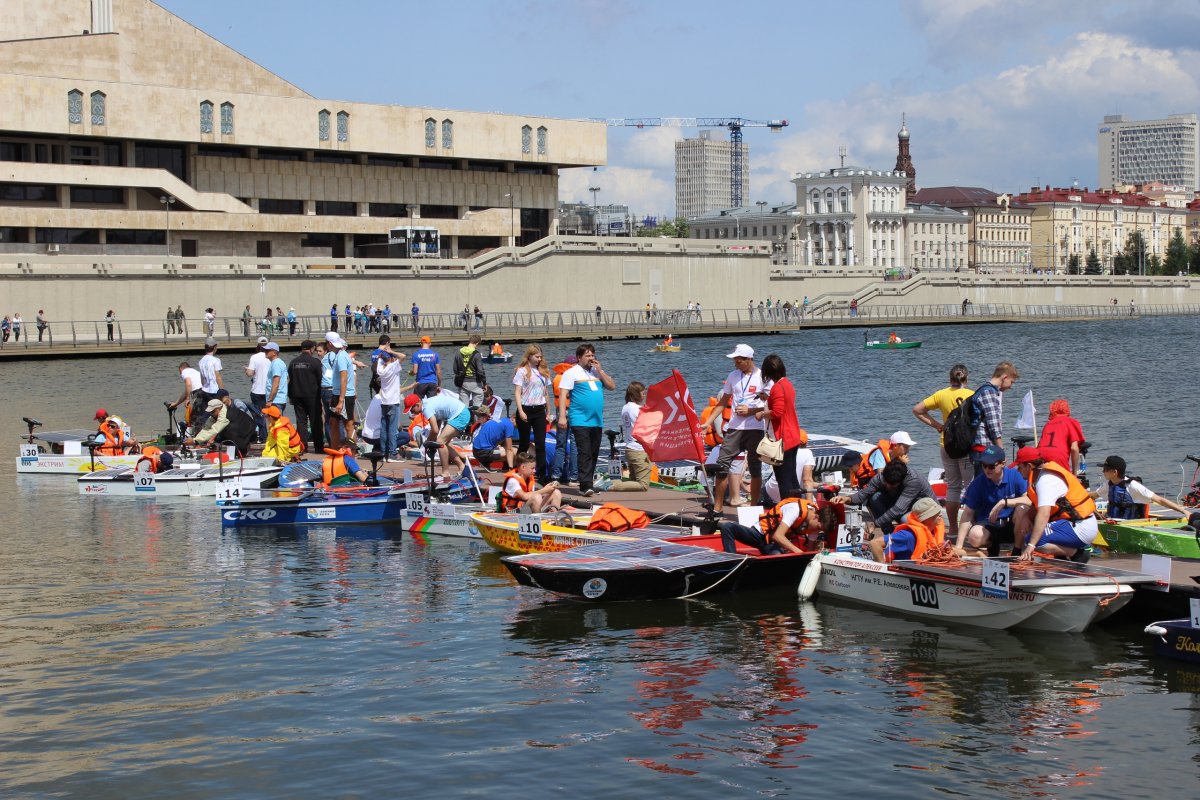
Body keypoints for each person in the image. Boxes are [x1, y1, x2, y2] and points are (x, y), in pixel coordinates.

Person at [702, 344, 770, 513]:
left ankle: (754, 508)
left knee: (755, 468)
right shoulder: (733, 376)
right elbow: (722, 403)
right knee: (722, 465)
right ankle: (717, 508)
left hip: (755, 428)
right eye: (735, 361)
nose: (736, 364)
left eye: (738, 361)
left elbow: (771, 405)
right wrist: (707, 422)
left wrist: (751, 411)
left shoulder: (763, 377)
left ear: (749, 360)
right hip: (734, 428)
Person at [913, 364, 975, 529]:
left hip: (946, 443)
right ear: (966, 379)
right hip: (966, 445)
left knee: (953, 486)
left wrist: (939, 426)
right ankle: (969, 526)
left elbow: (917, 410)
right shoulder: (972, 395)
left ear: (950, 379)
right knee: (971, 487)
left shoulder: (941, 394)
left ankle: (953, 528)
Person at [1010, 447, 1097, 562]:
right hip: (1072, 522)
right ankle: (1061, 557)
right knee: (1035, 533)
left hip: (1081, 526)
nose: (1017, 470)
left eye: (1020, 467)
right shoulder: (1039, 475)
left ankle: (1077, 554)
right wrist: (1027, 516)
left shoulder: (1046, 480)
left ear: (1029, 466)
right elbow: (1037, 503)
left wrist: (1031, 546)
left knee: (1032, 539)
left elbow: (1044, 514)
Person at [556, 342, 615, 497]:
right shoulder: (572, 372)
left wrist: (600, 371)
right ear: (579, 358)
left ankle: (589, 482)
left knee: (594, 452)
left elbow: (612, 386)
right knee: (584, 452)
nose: (591, 358)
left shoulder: (596, 372)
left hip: (596, 420)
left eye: (592, 355)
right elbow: (562, 395)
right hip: (579, 418)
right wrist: (562, 416)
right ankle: (585, 486)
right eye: (587, 355)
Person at [953, 444, 1028, 557]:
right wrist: (959, 546)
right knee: (974, 536)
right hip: (990, 524)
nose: (987, 469)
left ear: (1003, 463)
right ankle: (992, 545)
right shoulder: (978, 483)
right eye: (984, 465)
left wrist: (1004, 502)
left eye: (991, 466)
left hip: (1012, 523)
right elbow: (968, 513)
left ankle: (1017, 549)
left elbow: (1028, 499)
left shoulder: (1015, 475)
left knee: (1023, 508)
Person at [832, 457, 936, 535]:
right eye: (886, 482)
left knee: (905, 519)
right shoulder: (881, 477)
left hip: (927, 511)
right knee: (875, 497)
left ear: (901, 481)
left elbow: (898, 509)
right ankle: (889, 534)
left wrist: (875, 523)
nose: (887, 485)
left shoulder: (913, 481)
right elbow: (864, 493)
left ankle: (916, 540)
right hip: (904, 505)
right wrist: (847, 499)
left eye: (891, 484)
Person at [720, 497, 838, 555]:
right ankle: (732, 562)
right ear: (816, 517)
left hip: (772, 544)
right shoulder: (795, 510)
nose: (816, 531)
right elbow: (778, 536)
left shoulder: (816, 524)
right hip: (759, 534)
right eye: (818, 528)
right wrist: (798, 552)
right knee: (727, 527)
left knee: (777, 556)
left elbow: (810, 548)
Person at [760, 353, 804, 501]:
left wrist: (761, 414)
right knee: (792, 477)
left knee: (783, 479)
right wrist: (768, 399)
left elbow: (777, 413)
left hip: (782, 439)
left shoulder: (777, 387)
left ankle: (788, 507)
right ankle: (799, 508)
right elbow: (783, 406)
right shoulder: (788, 384)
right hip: (793, 436)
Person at [1094, 455, 1193, 520]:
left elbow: (1159, 500)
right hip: (1111, 521)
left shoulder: (1133, 486)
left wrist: (1183, 511)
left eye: (1105, 469)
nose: (1103, 471)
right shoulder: (1108, 484)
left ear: (1114, 472)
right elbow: (1092, 496)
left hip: (1127, 524)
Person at [405, 392, 470, 480]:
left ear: (417, 404)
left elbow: (435, 430)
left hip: (460, 415)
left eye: (411, 409)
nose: (411, 412)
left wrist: (427, 444)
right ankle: (462, 467)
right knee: (445, 443)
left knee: (440, 442)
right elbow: (437, 424)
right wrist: (431, 443)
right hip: (462, 413)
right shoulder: (427, 403)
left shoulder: (426, 408)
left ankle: (445, 473)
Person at [971, 361, 1020, 476]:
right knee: (986, 484)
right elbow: (993, 424)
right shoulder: (989, 392)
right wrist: (1001, 450)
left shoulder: (982, 389)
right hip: (984, 448)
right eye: (1011, 382)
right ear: (1005, 377)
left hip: (978, 447)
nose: (1011, 386)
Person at [512, 344, 552, 483]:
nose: (539, 359)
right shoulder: (522, 371)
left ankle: (541, 474)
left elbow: (546, 393)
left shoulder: (543, 371)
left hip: (539, 409)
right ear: (529, 356)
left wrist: (548, 410)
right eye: (536, 357)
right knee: (524, 443)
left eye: (540, 357)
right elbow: (517, 392)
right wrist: (521, 410)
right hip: (526, 408)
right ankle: (518, 470)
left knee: (540, 443)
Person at [868, 497, 946, 563]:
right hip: (902, 574)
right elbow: (875, 543)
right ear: (925, 519)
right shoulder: (907, 536)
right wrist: (883, 570)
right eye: (936, 514)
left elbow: (945, 548)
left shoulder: (934, 531)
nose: (941, 515)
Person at [607, 381, 651, 492]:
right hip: (639, 449)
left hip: (630, 448)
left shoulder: (625, 408)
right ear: (636, 394)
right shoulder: (638, 409)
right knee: (643, 485)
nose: (644, 395)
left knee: (634, 481)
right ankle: (615, 486)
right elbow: (647, 427)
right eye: (642, 393)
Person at [287, 339, 324, 453]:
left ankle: (302, 447)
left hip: (297, 395)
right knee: (315, 421)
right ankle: (318, 447)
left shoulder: (293, 362)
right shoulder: (315, 362)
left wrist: (290, 396)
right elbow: (320, 379)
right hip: (312, 395)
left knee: (301, 422)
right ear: (312, 348)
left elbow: (290, 380)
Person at [373, 339, 407, 459]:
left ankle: (383, 452)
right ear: (391, 359)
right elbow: (403, 356)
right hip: (393, 402)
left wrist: (383, 353)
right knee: (392, 428)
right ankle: (392, 453)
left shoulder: (380, 369)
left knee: (384, 428)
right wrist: (391, 350)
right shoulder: (393, 367)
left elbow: (379, 360)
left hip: (384, 401)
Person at [188, 398, 255, 457]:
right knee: (219, 434)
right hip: (237, 427)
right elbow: (206, 428)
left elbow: (215, 429)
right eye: (210, 412)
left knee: (227, 432)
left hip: (248, 429)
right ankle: (231, 451)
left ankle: (242, 452)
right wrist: (196, 440)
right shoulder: (215, 414)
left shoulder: (225, 416)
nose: (211, 413)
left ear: (218, 409)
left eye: (213, 411)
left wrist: (194, 441)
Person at [1038, 398, 1085, 474]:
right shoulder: (1071, 422)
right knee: (1067, 480)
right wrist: (1074, 473)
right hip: (1058, 456)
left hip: (1040, 456)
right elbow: (1074, 449)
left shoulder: (1047, 424)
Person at [244, 336, 271, 442]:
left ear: (258, 345)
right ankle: (271, 436)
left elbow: (250, 373)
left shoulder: (254, 357)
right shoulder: (271, 357)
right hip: (269, 391)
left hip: (257, 390)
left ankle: (263, 436)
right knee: (270, 414)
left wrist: (246, 370)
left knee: (259, 414)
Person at [196, 337, 224, 430]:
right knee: (219, 413)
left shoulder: (201, 361)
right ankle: (217, 433)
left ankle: (203, 430)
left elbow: (202, 378)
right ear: (215, 347)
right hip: (214, 390)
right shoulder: (216, 360)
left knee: (207, 413)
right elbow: (218, 377)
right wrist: (223, 391)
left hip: (205, 390)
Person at [169, 361, 203, 435]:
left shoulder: (185, 371)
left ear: (181, 369)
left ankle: (197, 441)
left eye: (180, 372)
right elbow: (187, 391)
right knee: (201, 417)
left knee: (196, 419)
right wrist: (176, 403)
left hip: (198, 394)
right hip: (205, 393)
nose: (181, 374)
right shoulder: (196, 372)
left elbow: (188, 384)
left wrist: (188, 399)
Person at [454, 334, 487, 408]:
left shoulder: (458, 352)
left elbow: (455, 369)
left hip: (463, 383)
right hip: (475, 383)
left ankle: (466, 419)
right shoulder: (477, 354)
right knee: (477, 408)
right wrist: (484, 383)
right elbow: (480, 371)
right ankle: (476, 418)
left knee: (464, 408)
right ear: (477, 343)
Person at [264, 342, 289, 415]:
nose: (265, 352)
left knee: (275, 424)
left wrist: (270, 400)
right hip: (279, 399)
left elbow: (276, 382)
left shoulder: (276, 364)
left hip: (275, 400)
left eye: (267, 350)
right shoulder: (279, 362)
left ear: (274, 352)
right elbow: (287, 378)